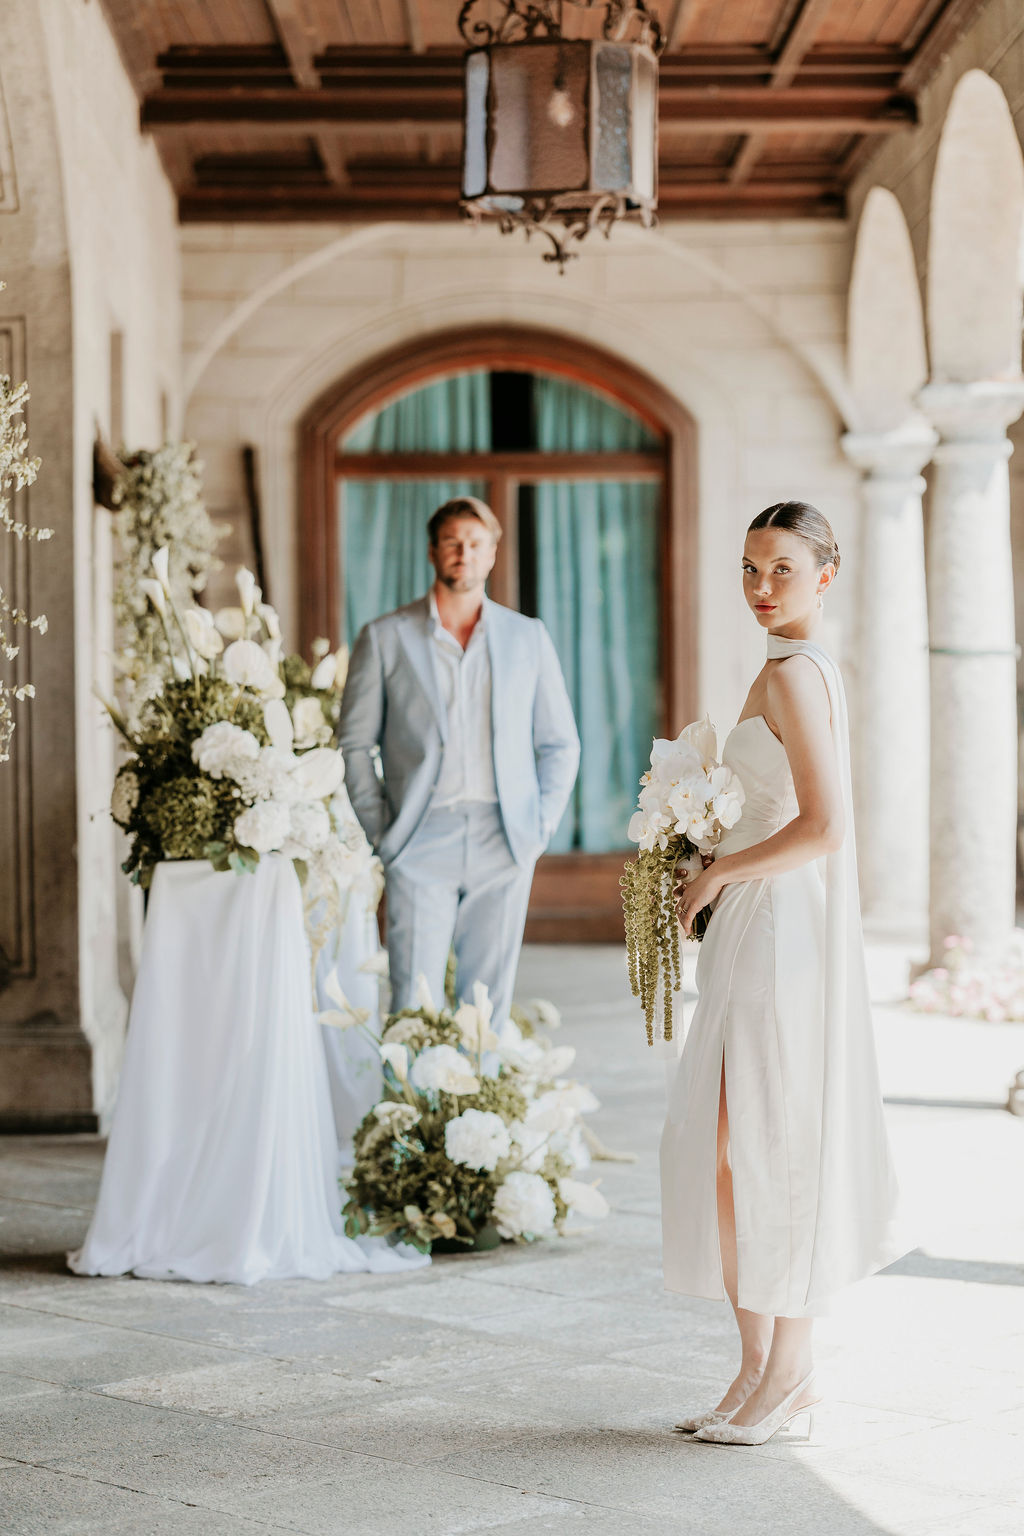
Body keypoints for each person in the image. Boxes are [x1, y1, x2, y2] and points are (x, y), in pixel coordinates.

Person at [660, 500, 905, 1447]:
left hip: (777, 932)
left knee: (772, 1145)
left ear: (825, 577)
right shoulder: (786, 667)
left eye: (784, 572)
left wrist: (717, 867)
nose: (763, 589)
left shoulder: (799, 675)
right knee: (730, 1149)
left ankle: (793, 1370)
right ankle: (756, 1364)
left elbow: (825, 826)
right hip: (754, 924)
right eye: (751, 570)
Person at [338, 496, 580, 1025]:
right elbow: (354, 744)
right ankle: (408, 1108)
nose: (463, 553)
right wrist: (385, 833)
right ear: (432, 551)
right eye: (452, 542)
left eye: (475, 543)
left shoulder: (527, 637)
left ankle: (479, 1110)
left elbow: (560, 744)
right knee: (412, 1001)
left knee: (485, 1005)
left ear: (492, 554)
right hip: (420, 835)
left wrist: (537, 829)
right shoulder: (384, 637)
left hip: (506, 835)